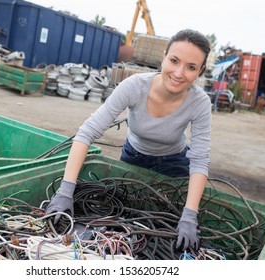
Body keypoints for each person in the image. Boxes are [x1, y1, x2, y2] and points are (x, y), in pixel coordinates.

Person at [45, 29, 212, 252]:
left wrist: (190, 215)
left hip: (175, 162)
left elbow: (199, 160)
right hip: (133, 157)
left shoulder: (200, 102)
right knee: (126, 217)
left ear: (200, 71)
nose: (179, 73)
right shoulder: (135, 86)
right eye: (174, 61)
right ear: (164, 57)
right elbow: (87, 133)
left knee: (167, 219)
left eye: (191, 67)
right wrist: (65, 191)